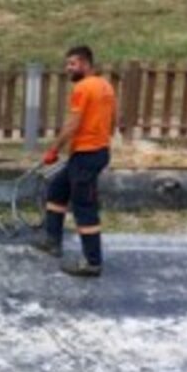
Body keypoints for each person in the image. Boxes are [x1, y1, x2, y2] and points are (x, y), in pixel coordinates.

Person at [35, 45, 116, 277]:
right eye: (67, 64)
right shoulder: (105, 85)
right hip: (93, 151)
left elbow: (73, 123)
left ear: (85, 64)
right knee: (57, 189)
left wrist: (54, 149)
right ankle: (53, 241)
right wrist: (103, 139)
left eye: (72, 64)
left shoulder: (83, 87)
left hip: (88, 155)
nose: (67, 68)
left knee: (84, 206)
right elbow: (113, 118)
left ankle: (93, 263)